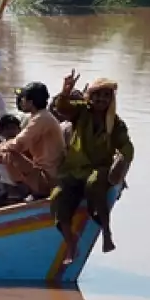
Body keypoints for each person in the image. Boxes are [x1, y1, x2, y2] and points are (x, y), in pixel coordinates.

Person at [51, 71, 133, 264]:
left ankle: (106, 231)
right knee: (57, 197)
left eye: (106, 96)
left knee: (95, 183)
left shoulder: (116, 123)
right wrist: (65, 91)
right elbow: (62, 108)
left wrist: (121, 164)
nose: (101, 99)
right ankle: (71, 243)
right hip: (73, 169)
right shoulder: (82, 111)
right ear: (90, 96)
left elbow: (127, 147)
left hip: (99, 169)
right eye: (97, 95)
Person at [0, 82, 63, 199]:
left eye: (23, 99)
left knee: (10, 153)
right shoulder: (39, 117)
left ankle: (17, 193)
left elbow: (17, 144)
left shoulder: (41, 118)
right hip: (46, 174)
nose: (21, 102)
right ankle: (24, 189)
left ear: (31, 102)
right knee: (4, 152)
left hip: (49, 179)